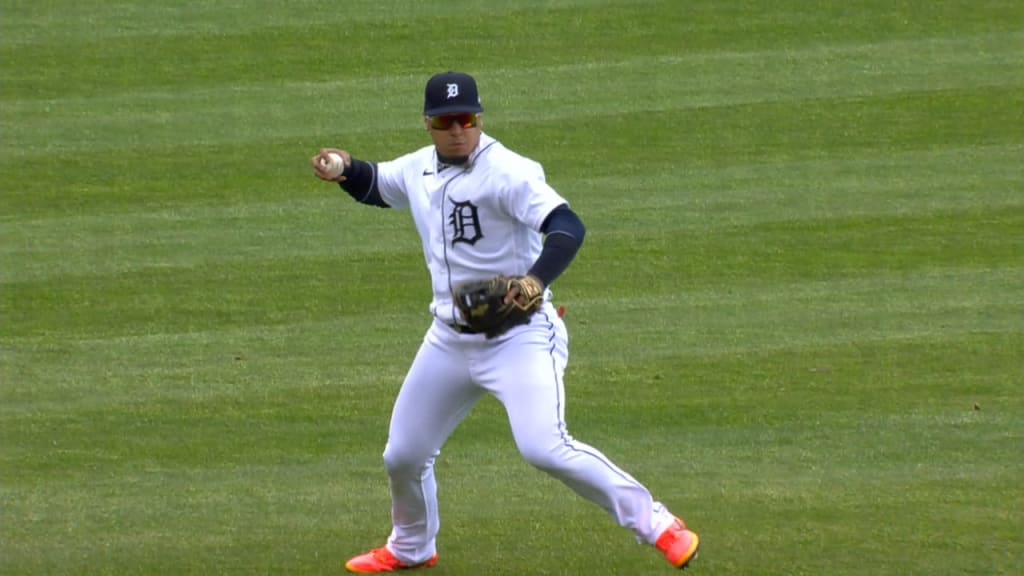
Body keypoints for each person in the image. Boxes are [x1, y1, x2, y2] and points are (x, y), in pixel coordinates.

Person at [310, 71, 699, 573]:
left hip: (519, 337)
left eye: (467, 119)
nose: (458, 130)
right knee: (402, 455)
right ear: (428, 124)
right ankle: (411, 547)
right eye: (447, 121)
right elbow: (376, 184)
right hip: (449, 340)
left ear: (479, 118)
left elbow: (567, 226)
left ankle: (659, 525)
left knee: (544, 448)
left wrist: (535, 280)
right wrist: (342, 167)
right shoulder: (418, 168)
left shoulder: (509, 172)